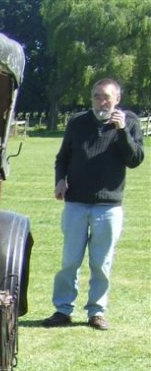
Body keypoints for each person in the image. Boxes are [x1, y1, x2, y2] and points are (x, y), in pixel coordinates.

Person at [42, 78, 144, 330]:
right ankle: (63, 310)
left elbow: (135, 159)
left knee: (101, 262)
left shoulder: (129, 122)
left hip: (108, 206)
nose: (101, 101)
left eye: (106, 97)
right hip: (76, 202)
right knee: (70, 261)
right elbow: (62, 157)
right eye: (97, 96)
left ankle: (96, 312)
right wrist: (60, 181)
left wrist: (121, 132)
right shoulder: (78, 122)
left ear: (117, 99)